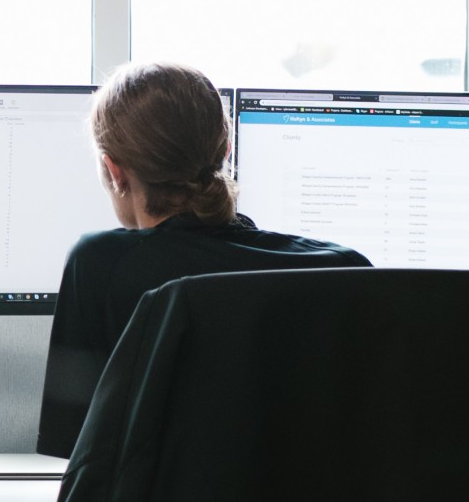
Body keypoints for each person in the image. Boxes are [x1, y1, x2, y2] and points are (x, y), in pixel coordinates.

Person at [37, 62, 372, 459]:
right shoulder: (340, 268)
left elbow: (75, 451)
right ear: (225, 150)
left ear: (115, 172)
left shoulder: (98, 264)